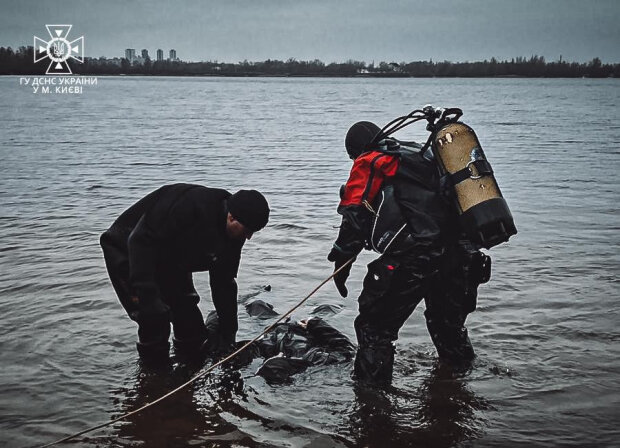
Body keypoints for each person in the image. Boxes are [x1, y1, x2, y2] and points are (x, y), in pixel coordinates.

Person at [327, 121, 491, 385]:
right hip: (460, 255)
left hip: (416, 258)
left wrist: (341, 260)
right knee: (447, 327)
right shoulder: (419, 153)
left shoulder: (371, 161)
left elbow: (354, 216)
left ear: (356, 150)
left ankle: (371, 405)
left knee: (375, 330)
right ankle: (462, 388)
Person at [100, 183, 270, 362]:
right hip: (128, 249)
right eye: (248, 230)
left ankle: (187, 374)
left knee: (190, 325)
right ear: (231, 217)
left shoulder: (235, 235)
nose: (249, 237)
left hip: (170, 259)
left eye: (253, 232)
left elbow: (224, 284)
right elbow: (139, 241)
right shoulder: (191, 206)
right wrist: (147, 294)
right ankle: (154, 380)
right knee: (154, 317)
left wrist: (229, 334)